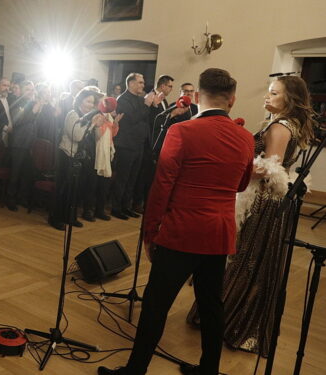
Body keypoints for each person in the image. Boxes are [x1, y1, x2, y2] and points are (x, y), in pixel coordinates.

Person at [98, 68, 255, 375]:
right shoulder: (245, 138)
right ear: (232, 100)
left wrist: (150, 233)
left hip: (181, 232)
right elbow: (241, 185)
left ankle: (135, 371)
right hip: (219, 233)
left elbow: (161, 188)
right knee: (212, 306)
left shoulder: (182, 131)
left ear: (196, 97)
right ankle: (209, 369)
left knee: (156, 306)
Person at [189, 76, 316, 355]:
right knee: (253, 261)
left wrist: (233, 165)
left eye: (274, 93)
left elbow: (268, 169)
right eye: (268, 92)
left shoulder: (280, 127)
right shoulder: (289, 124)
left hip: (262, 202)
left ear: (290, 99)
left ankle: (235, 321)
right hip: (268, 201)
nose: (267, 97)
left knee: (245, 260)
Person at [50, 88, 103, 229]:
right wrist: (91, 123)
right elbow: (77, 137)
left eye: (92, 102)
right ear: (80, 101)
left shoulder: (89, 116)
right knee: (63, 189)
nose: (90, 105)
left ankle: (70, 216)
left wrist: (97, 125)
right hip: (67, 155)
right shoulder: (73, 115)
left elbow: (98, 138)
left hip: (82, 158)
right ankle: (55, 218)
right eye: (88, 101)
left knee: (76, 190)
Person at [5, 83, 54, 212]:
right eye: (27, 89)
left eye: (32, 89)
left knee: (27, 173)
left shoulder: (33, 103)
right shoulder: (17, 103)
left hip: (31, 143)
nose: (31, 92)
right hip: (19, 143)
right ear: (20, 90)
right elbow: (18, 121)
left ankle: (22, 197)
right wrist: (34, 110)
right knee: (15, 173)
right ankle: (10, 198)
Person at [110, 73, 149, 220]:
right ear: (131, 84)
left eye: (143, 83)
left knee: (132, 179)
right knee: (123, 178)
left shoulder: (140, 99)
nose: (142, 85)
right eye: (140, 82)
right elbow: (132, 119)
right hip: (126, 145)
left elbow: (144, 118)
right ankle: (116, 207)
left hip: (138, 144)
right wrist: (146, 105)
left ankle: (126, 206)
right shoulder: (122, 100)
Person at [134, 75, 174, 212]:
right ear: (162, 86)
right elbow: (149, 119)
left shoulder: (164, 99)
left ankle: (146, 201)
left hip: (158, 141)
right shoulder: (150, 97)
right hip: (148, 141)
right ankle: (137, 202)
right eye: (170, 86)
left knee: (151, 175)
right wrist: (154, 106)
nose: (171, 89)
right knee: (143, 174)